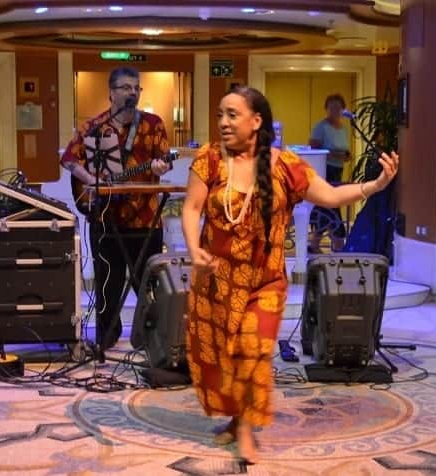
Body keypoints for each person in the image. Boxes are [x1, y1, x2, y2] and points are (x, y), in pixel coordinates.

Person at [181, 86, 398, 464]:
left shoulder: (285, 165)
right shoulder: (210, 161)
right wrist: (192, 247)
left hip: (265, 282)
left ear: (256, 121)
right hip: (216, 280)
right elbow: (191, 208)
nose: (223, 122)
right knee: (222, 358)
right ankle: (237, 418)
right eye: (220, 114)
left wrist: (375, 185)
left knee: (254, 350)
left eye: (232, 114)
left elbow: (329, 196)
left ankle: (247, 428)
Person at [61, 67, 172, 350]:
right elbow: (70, 160)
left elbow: (164, 161)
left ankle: (153, 335)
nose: (131, 92)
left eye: (136, 88)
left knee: (148, 283)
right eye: (125, 87)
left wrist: (162, 165)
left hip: (146, 220)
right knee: (107, 281)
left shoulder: (153, 124)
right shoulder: (94, 127)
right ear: (111, 93)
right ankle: (108, 331)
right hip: (105, 216)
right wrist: (92, 181)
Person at [309, 93, 352, 251]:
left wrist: (346, 156)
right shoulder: (321, 127)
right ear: (327, 109)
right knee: (330, 205)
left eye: (338, 107)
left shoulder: (343, 128)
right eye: (332, 107)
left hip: (338, 170)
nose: (335, 110)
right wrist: (334, 154)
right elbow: (314, 148)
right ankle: (339, 242)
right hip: (324, 171)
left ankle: (315, 244)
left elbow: (344, 149)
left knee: (326, 207)